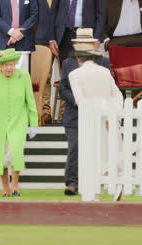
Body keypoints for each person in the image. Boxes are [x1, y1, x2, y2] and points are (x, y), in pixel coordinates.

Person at [68, 29, 123, 200]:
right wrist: (111, 115)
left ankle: (95, 194)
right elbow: (117, 95)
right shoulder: (105, 72)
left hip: (90, 122)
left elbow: (80, 100)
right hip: (108, 121)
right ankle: (114, 187)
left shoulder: (74, 74)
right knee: (111, 155)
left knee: (93, 159)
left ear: (78, 58)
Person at [0, 48, 38, 197]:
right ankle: (5, 188)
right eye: (5, 65)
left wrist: (34, 124)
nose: (9, 68)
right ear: (0, 66)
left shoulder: (23, 76)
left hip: (18, 121)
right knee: (0, 156)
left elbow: (30, 101)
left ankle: (15, 186)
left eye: (12, 64)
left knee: (15, 153)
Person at [59, 28, 110, 196]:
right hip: (74, 114)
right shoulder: (67, 63)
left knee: (97, 147)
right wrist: (78, 101)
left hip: (97, 113)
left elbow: (109, 87)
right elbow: (63, 89)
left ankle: (94, 181)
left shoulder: (103, 62)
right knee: (75, 147)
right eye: (79, 43)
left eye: (86, 43)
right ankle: (72, 183)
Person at [49, 0, 104, 65]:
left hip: (87, 36)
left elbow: (101, 15)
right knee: (67, 69)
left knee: (84, 68)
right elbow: (53, 12)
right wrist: (51, 38)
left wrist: (97, 39)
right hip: (65, 36)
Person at [35, 0, 54, 124]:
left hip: (61, 37)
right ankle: (44, 111)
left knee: (66, 76)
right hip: (40, 38)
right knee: (44, 76)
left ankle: (64, 113)